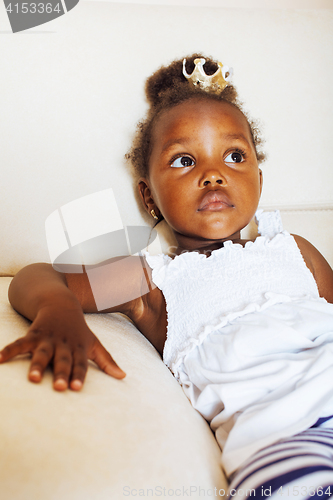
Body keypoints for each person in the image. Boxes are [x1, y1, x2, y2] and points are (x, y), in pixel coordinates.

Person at [1, 53, 333, 496]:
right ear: (149, 196)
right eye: (183, 161)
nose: (213, 175)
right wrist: (57, 309)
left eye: (234, 156)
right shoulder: (155, 279)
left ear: (258, 175)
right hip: (286, 440)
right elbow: (38, 276)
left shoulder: (295, 250)